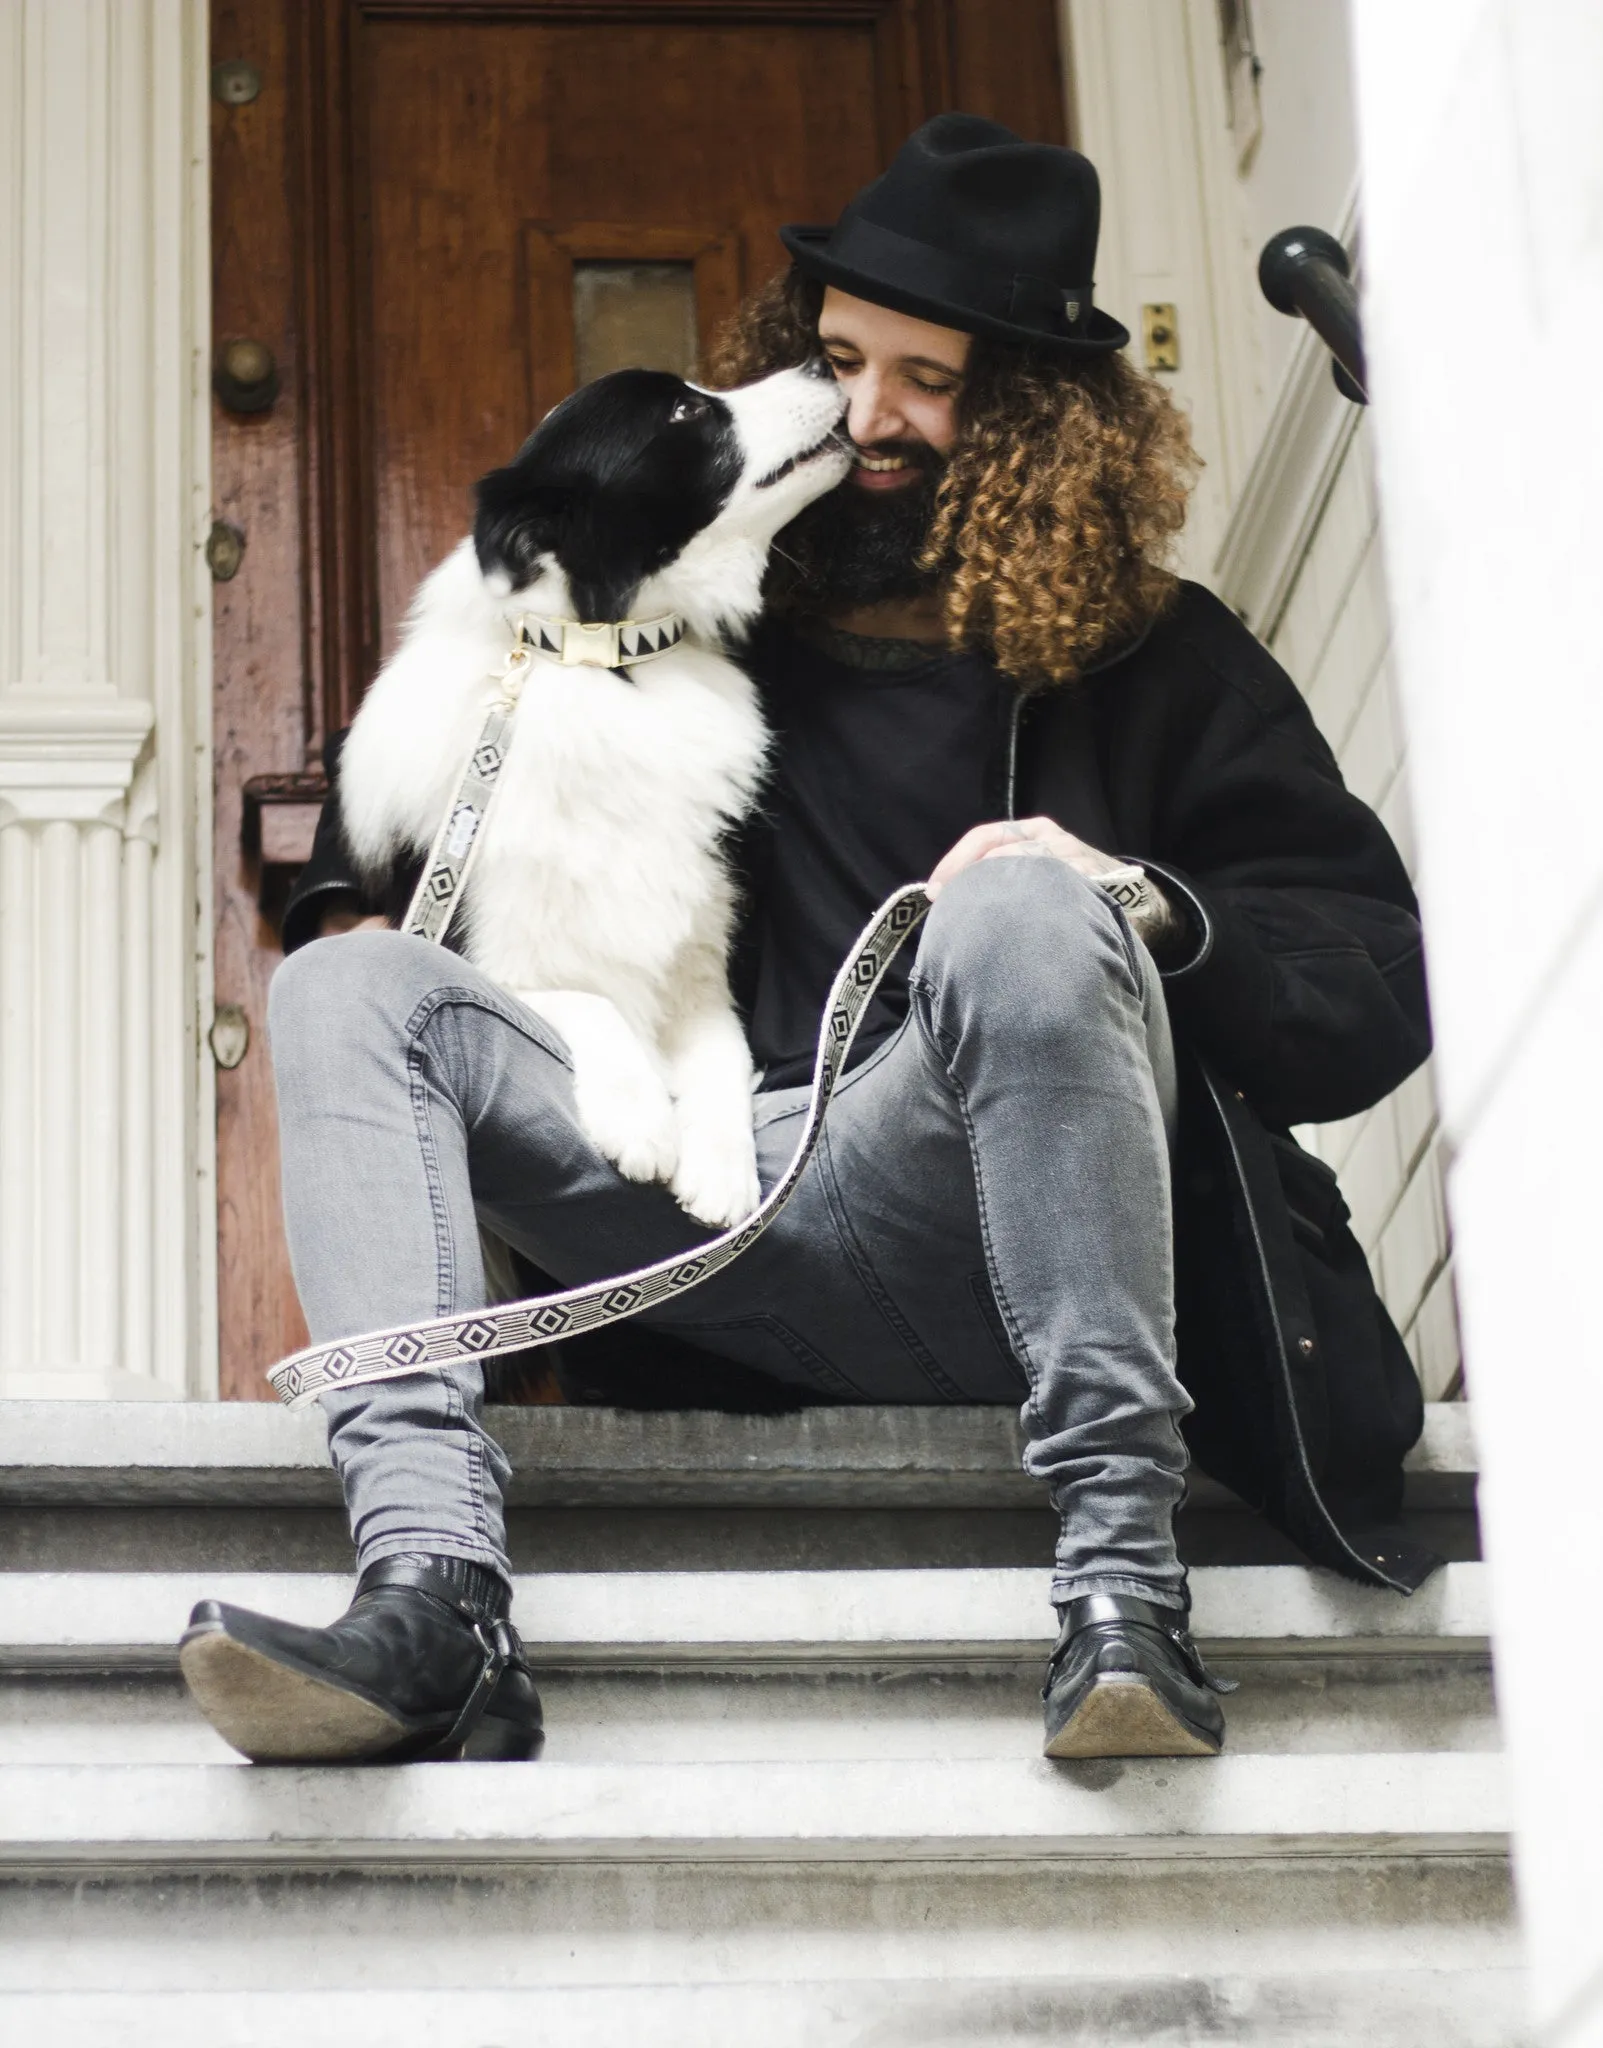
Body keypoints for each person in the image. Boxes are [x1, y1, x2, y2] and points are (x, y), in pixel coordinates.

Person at [179, 115, 1434, 1767]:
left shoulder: (1157, 659)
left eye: (930, 377)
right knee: (351, 984)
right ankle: (433, 1594)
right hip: (696, 1211)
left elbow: (1368, 981)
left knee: (1014, 905)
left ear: (1041, 413)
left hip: (994, 1216)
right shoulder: (691, 614)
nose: (869, 414)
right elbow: (378, 843)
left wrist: (1137, 904)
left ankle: (1124, 1591)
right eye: (841, 359)